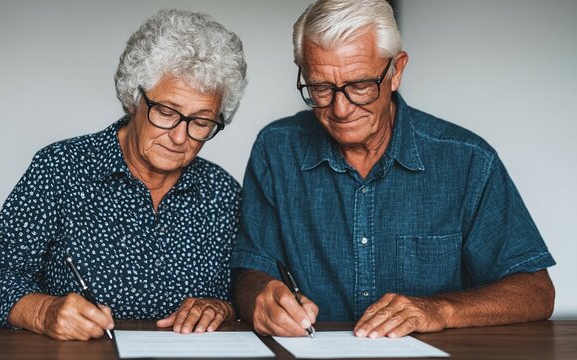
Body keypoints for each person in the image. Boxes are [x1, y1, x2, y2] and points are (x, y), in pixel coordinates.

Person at [231, 0, 555, 339]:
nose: (340, 109)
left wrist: (439, 309)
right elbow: (251, 269)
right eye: (320, 88)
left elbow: (536, 291)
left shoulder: (467, 160)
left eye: (359, 85)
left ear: (396, 71)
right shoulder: (275, 149)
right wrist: (260, 297)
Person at [0, 9, 247, 341]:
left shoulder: (223, 193)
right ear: (133, 99)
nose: (180, 137)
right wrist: (45, 312)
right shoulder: (62, 168)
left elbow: (243, 290)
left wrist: (222, 308)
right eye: (167, 113)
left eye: (200, 122)